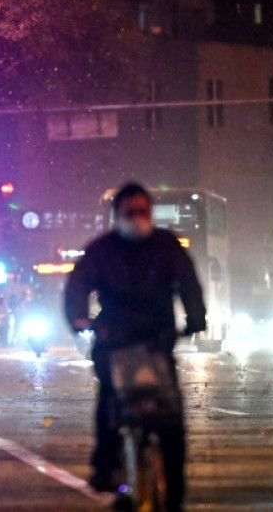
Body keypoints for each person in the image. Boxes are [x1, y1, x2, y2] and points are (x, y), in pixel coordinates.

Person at [64, 182, 206, 511]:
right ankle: (106, 468)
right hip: (115, 340)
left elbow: (189, 283)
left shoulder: (167, 246)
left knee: (170, 421)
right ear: (117, 215)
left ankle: (174, 496)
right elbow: (77, 286)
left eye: (143, 211)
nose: (138, 218)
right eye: (131, 212)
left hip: (158, 341)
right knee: (110, 402)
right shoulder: (102, 250)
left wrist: (195, 319)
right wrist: (79, 320)